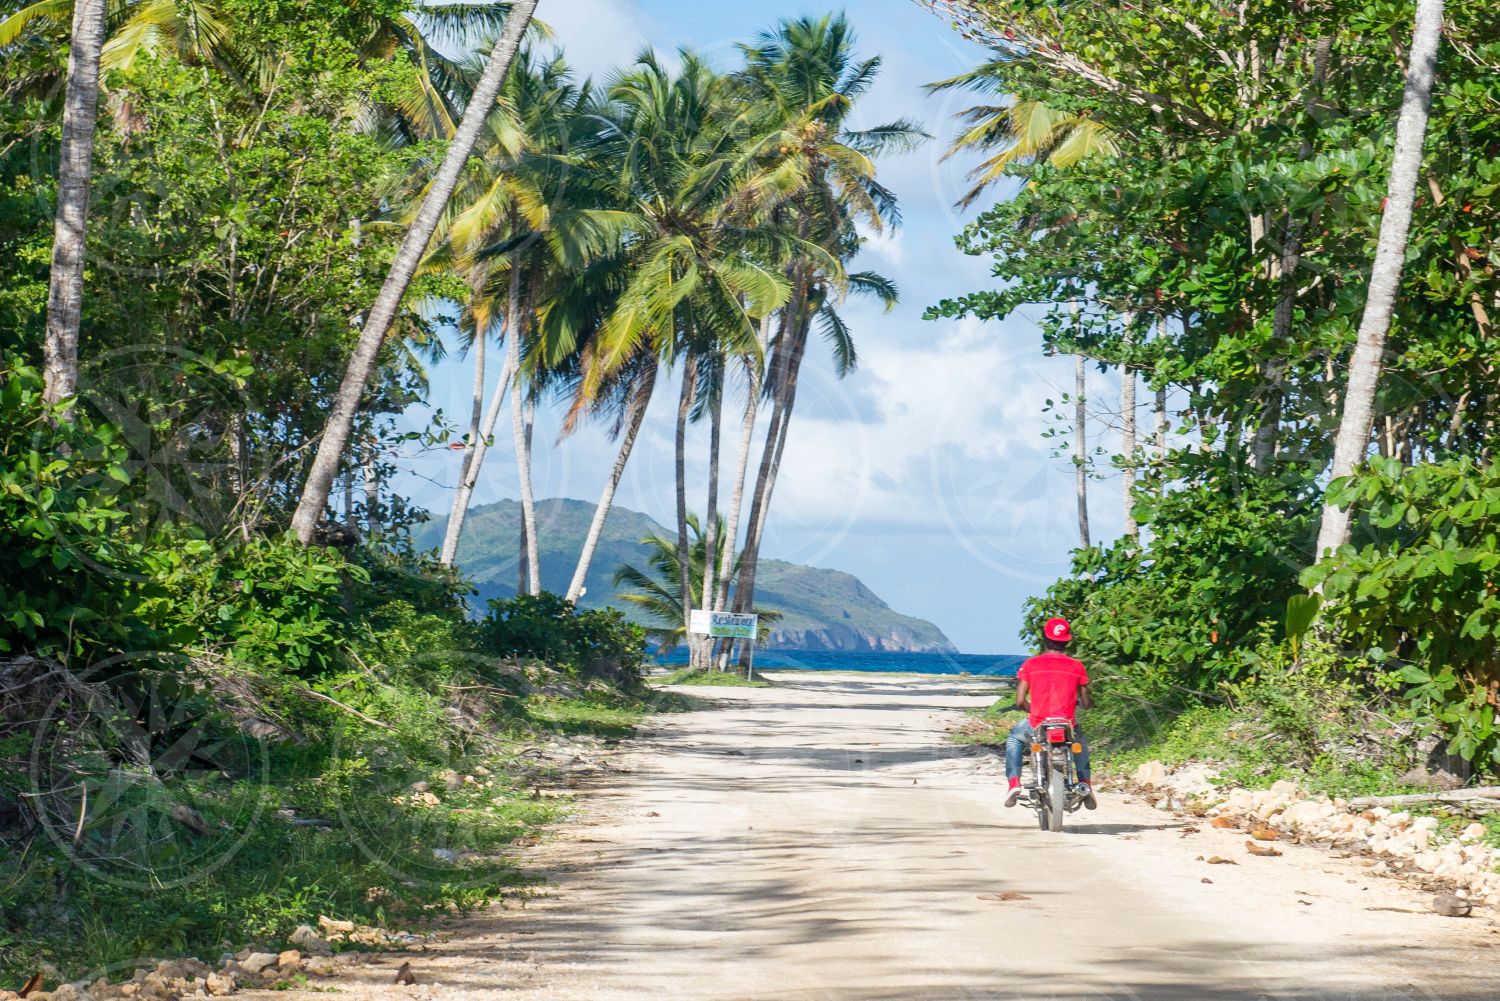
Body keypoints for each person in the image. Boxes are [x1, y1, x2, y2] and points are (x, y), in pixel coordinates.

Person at [1004, 616, 1096, 810]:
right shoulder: (1077, 666)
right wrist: (1087, 704)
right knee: (1080, 745)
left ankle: (1014, 783)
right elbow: (1086, 702)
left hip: (1038, 724)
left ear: (1044, 639)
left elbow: (1020, 700)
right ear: (1067, 641)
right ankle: (1085, 784)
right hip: (1067, 725)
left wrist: (1034, 711)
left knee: (1014, 738)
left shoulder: (1031, 664)